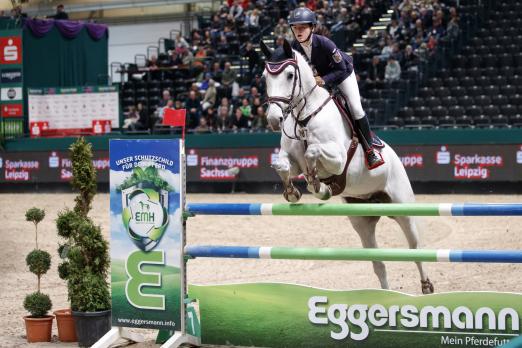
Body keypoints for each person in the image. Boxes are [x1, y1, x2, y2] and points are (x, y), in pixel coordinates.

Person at [287, 7, 384, 169]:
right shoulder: (294, 47)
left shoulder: (325, 43)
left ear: (312, 27)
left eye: (303, 27)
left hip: (343, 74)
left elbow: (341, 70)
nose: (298, 31)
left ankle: (370, 150)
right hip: (320, 79)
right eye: (295, 28)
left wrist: (323, 80)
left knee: (356, 109)